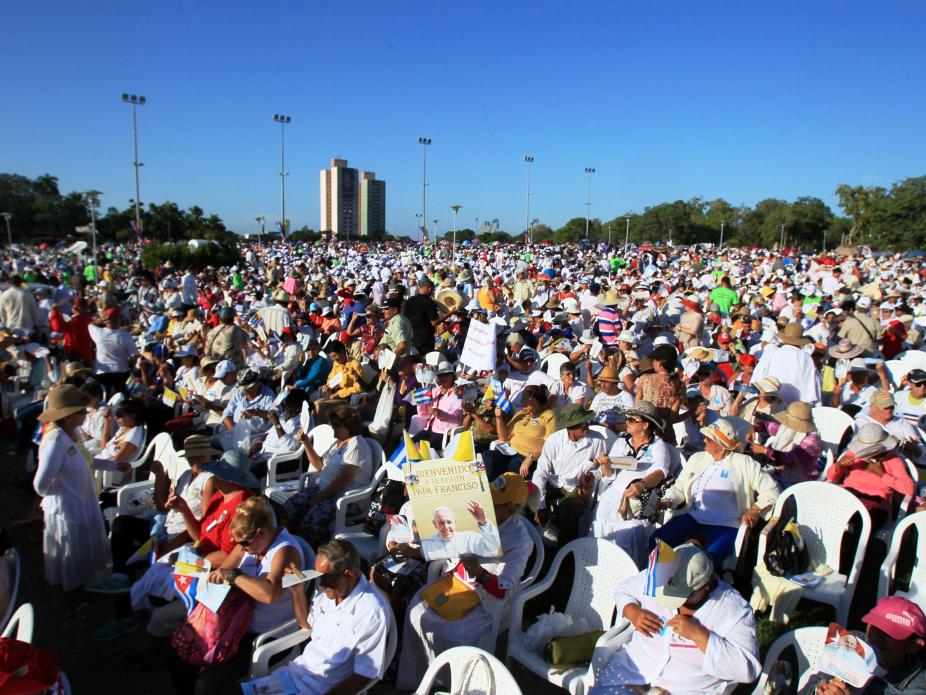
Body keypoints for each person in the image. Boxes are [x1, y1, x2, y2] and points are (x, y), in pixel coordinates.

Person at [396, 472, 533, 689]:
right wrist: (415, 550)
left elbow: (505, 589)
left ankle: (455, 687)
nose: (484, 505)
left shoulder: (519, 540)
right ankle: (421, 681)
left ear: (508, 509)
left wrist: (481, 574)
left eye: (492, 504)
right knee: (415, 610)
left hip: (485, 598)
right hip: (455, 582)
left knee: (455, 633)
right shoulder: (474, 516)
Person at [168, 496, 304, 695]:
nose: (242, 547)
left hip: (265, 635)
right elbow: (223, 571)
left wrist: (235, 576)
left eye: (245, 543)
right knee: (174, 655)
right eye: (238, 542)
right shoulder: (248, 545)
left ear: (261, 532)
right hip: (234, 627)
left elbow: (271, 594)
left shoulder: (285, 551)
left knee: (208, 685)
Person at [592, 544, 760, 694]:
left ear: (706, 585)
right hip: (634, 671)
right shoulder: (661, 573)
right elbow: (623, 590)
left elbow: (747, 669)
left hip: (686, 688)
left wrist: (700, 636)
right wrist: (633, 612)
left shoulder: (733, 609)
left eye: (684, 598)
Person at [651, 419, 780, 567]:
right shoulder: (697, 458)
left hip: (725, 525)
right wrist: (666, 501)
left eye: (709, 438)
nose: (704, 440)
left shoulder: (744, 463)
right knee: (657, 542)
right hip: (692, 517)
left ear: (721, 444)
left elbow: (772, 490)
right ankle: (660, 582)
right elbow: (679, 487)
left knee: (703, 560)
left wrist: (755, 510)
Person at [270, 539, 391, 694]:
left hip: (321, 688)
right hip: (295, 674)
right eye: (319, 576)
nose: (321, 584)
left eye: (326, 577)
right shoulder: (328, 591)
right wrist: (297, 591)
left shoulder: (371, 612)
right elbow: (305, 624)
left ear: (348, 575)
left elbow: (364, 675)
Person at [33, 385, 108, 614]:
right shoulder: (55, 441)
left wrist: (116, 465)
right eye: (81, 412)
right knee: (70, 554)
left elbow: (88, 461)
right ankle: (72, 599)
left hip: (82, 502)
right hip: (67, 508)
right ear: (68, 415)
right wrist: (63, 492)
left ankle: (80, 589)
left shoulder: (71, 435)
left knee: (80, 552)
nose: (85, 415)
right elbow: (40, 485)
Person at [588, 401, 673, 566]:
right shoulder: (621, 442)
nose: (627, 422)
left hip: (638, 496)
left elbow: (659, 472)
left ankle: (623, 568)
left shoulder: (658, 446)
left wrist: (642, 485)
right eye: (627, 418)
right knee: (601, 518)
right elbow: (610, 475)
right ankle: (599, 565)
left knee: (626, 531)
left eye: (632, 420)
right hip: (615, 491)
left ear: (645, 425)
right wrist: (605, 464)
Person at [283, 405, 374, 546]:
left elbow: (345, 479)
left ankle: (319, 548)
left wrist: (318, 498)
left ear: (349, 426)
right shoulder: (338, 443)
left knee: (311, 521)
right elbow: (320, 466)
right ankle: (295, 542)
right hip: (325, 490)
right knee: (290, 507)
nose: (333, 427)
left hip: (345, 498)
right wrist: (306, 443)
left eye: (337, 425)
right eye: (333, 423)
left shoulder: (355, 446)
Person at [799, 595, 926, 695]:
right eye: (875, 626)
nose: (875, 637)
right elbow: (809, 687)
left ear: (913, 646)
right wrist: (818, 691)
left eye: (889, 634)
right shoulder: (853, 642)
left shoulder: (917, 688)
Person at [532, 404, 608, 545]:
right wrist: (540, 504)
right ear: (570, 427)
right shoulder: (554, 441)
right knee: (527, 501)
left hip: (578, 487)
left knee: (569, 511)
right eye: (582, 424)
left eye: (587, 422)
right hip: (554, 483)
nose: (587, 426)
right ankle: (534, 547)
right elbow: (541, 472)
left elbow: (600, 470)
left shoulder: (598, 440)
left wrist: (591, 476)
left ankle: (566, 554)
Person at [825, 423, 915, 528]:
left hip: (875, 503)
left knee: (855, 524)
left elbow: (909, 489)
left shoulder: (893, 460)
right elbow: (831, 477)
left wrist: (882, 474)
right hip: (848, 496)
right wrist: (839, 465)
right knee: (827, 514)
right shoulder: (854, 453)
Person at [470, 383, 557, 480]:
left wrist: (531, 457)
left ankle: (495, 487)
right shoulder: (520, 414)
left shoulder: (548, 416)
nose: (521, 401)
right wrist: (499, 418)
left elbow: (551, 445)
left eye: (523, 399)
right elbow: (503, 438)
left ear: (533, 400)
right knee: (486, 457)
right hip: (509, 451)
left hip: (527, 457)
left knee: (512, 466)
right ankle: (482, 486)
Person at [750, 400, 822, 487]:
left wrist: (764, 450)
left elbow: (786, 459)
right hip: (780, 470)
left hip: (799, 480)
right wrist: (754, 428)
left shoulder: (811, 441)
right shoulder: (790, 429)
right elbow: (768, 426)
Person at [396, 503, 501, 562]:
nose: (446, 527)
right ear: (434, 524)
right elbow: (397, 531)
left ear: (455, 523)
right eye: (441, 523)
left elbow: (493, 547)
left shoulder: (468, 537)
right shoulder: (407, 507)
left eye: (449, 522)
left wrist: (483, 522)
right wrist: (394, 545)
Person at [751, 322, 821, 405]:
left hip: (770, 406)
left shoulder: (771, 353)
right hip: (795, 409)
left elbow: (756, 379)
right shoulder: (806, 358)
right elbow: (813, 388)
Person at [88, 306, 139, 394]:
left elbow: (90, 324)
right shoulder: (125, 336)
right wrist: (131, 366)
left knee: (104, 400)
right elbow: (134, 355)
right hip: (121, 373)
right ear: (118, 319)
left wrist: (102, 320)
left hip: (102, 373)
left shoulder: (98, 333)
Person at [403, 277, 443, 355]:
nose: (433, 292)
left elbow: (405, 318)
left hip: (411, 337)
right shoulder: (430, 302)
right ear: (429, 288)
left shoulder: (410, 300)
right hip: (425, 339)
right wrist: (450, 313)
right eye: (433, 290)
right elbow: (434, 323)